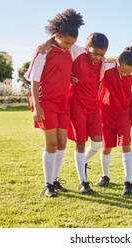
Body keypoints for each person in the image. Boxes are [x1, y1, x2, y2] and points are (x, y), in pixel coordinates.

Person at [24, 8, 84, 197]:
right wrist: (37, 106)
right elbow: (34, 79)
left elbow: (87, 51)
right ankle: (47, 185)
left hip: (62, 102)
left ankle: (55, 181)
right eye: (66, 42)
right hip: (44, 101)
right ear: (57, 35)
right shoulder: (43, 51)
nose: (69, 46)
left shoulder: (70, 50)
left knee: (62, 142)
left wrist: (71, 78)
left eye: (72, 43)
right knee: (51, 144)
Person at [39, 32, 109, 194]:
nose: (98, 57)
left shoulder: (103, 63)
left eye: (102, 54)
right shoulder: (77, 52)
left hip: (93, 106)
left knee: (98, 143)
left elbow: (121, 65)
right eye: (95, 53)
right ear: (87, 48)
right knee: (80, 144)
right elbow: (60, 40)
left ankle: (82, 162)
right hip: (76, 106)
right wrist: (47, 41)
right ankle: (83, 182)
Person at [97, 46, 132, 195]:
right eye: (122, 70)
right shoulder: (105, 67)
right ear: (117, 61)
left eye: (128, 72)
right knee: (106, 146)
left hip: (124, 113)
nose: (124, 73)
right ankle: (105, 176)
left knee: (125, 145)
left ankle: (128, 181)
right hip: (105, 113)